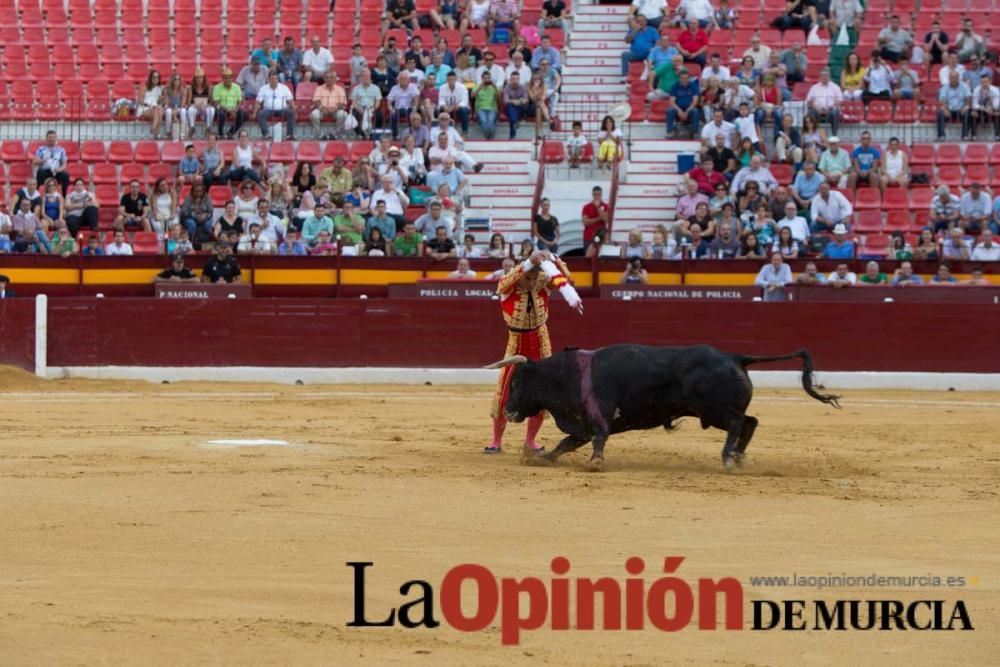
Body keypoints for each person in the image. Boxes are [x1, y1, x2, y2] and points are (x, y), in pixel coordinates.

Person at [486, 250, 581, 455]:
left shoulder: (542, 285)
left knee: (541, 395)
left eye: (534, 278)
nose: (531, 282)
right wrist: (529, 263)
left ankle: (530, 441)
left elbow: (566, 278)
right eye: (527, 278)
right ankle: (496, 441)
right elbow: (504, 282)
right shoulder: (508, 286)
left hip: (540, 342)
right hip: (516, 343)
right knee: (504, 394)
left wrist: (553, 258)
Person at [32, 130, 70, 195]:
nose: (52, 139)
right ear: (46, 139)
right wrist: (43, 160)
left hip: (56, 171)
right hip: (46, 172)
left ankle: (64, 196)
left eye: (53, 137)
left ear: (56, 138)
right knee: (40, 172)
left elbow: (64, 164)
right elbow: (34, 162)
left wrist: (59, 170)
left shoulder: (61, 150)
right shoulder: (41, 149)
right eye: (50, 137)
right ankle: (37, 195)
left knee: (65, 175)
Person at [581, 186, 609, 256]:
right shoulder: (587, 207)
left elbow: (605, 219)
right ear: (592, 195)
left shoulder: (605, 206)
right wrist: (599, 218)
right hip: (589, 237)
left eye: (599, 194)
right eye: (595, 194)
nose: (597, 196)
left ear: (601, 195)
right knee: (588, 257)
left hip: (601, 237)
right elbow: (585, 222)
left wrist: (598, 207)